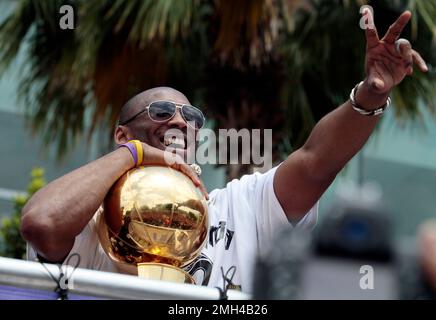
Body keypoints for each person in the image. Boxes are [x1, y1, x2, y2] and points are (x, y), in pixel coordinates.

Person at [20, 9, 428, 293]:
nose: (180, 122)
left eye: (191, 115)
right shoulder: (89, 220)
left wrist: (370, 95)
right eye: (162, 111)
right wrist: (135, 158)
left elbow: (315, 162)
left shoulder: (238, 204)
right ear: (123, 134)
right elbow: (42, 223)